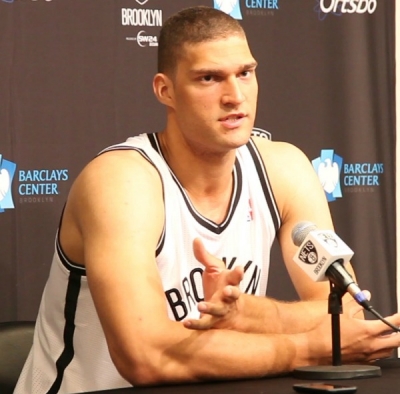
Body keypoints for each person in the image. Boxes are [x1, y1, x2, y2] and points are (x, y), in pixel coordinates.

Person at [14, 5, 400, 394]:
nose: (235, 97)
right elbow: (145, 356)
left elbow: (342, 311)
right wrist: (303, 348)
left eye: (245, 73)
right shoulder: (122, 181)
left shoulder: (285, 169)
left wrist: (250, 315)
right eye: (209, 78)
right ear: (166, 90)